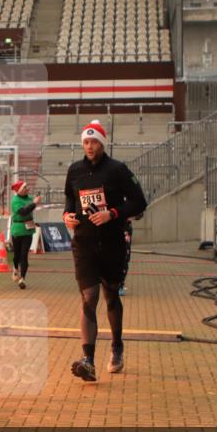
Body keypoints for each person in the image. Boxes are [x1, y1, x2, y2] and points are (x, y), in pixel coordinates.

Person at [63, 120, 147, 381]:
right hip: (85, 243)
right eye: (86, 142)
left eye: (94, 142)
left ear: (102, 142)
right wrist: (68, 216)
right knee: (89, 297)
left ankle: (117, 346)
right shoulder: (74, 170)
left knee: (111, 295)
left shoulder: (118, 170)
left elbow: (139, 202)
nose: (89, 146)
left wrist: (112, 214)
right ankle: (88, 360)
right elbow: (69, 200)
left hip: (112, 243)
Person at [9, 180, 41, 290]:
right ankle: (15, 267)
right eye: (25, 187)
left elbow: (29, 211)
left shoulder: (29, 198)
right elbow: (23, 211)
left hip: (28, 230)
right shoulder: (15, 200)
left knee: (24, 255)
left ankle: (22, 278)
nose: (27, 188)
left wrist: (33, 221)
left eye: (27, 187)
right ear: (19, 190)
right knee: (17, 255)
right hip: (17, 230)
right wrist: (34, 203)